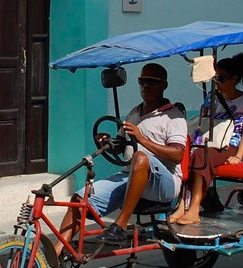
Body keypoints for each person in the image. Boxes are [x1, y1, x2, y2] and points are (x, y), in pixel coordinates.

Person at [54, 63, 187, 254]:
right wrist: (107, 141)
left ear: (164, 85)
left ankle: (120, 226)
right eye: (142, 82)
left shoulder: (173, 117)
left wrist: (142, 139)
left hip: (164, 183)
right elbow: (121, 145)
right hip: (130, 176)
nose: (146, 86)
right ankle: (57, 253)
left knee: (141, 158)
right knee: (79, 199)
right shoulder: (135, 112)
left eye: (152, 82)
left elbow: (178, 155)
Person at [170, 53, 243, 225]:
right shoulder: (211, 97)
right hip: (207, 142)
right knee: (186, 154)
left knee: (202, 156)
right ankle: (181, 205)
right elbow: (203, 123)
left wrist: (238, 156)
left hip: (229, 146)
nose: (217, 83)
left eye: (221, 79)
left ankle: (194, 208)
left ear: (234, 78)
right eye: (215, 78)